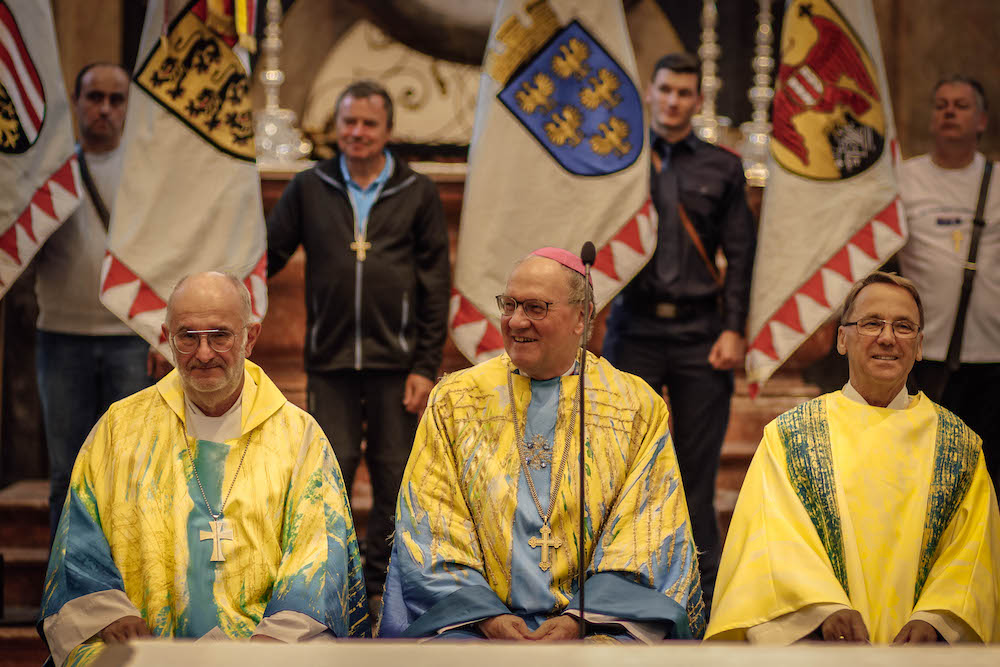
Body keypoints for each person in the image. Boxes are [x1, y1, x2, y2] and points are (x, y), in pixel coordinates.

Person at [39, 272, 370, 667]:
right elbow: (79, 535)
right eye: (188, 336)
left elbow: (319, 553)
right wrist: (111, 611)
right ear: (166, 338)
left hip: (266, 641)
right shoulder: (120, 429)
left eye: (220, 335)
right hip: (149, 646)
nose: (204, 353)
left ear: (250, 337)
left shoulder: (298, 437)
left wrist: (277, 636)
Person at [379, 248, 705, 641]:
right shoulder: (456, 401)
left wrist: (579, 619)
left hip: (597, 624)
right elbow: (431, 521)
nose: (517, 321)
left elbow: (648, 529)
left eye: (536, 308)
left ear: (581, 317)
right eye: (510, 304)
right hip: (474, 624)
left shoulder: (634, 406)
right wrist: (488, 617)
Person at [706, 272, 1000, 644]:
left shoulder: (958, 445)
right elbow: (770, 538)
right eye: (872, 323)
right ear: (842, 338)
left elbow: (973, 553)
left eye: (904, 327)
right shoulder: (792, 435)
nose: (888, 338)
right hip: (820, 648)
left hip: (926, 655)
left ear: (920, 345)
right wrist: (823, 608)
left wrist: (936, 618)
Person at [266, 80, 450, 612]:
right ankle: (333, 585)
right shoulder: (309, 186)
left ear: (388, 130)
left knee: (396, 477)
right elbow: (267, 254)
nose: (357, 133)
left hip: (399, 364)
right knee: (331, 476)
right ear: (336, 128)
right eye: (348, 122)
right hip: (330, 360)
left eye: (369, 123)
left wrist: (426, 365)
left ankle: (382, 588)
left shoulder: (417, 191)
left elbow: (435, 284)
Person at [600, 52, 756, 609]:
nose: (672, 100)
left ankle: (704, 598)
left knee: (696, 469)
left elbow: (741, 257)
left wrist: (734, 331)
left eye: (684, 92)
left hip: (699, 335)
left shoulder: (723, 167)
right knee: (619, 465)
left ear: (697, 100)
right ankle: (614, 588)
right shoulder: (617, 162)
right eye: (664, 89)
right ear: (649, 91)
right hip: (632, 330)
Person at [34, 63, 152, 540]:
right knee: (66, 474)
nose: (104, 108)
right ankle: (65, 598)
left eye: (116, 99)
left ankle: (131, 591)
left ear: (128, 108)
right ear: (77, 102)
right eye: (94, 96)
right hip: (60, 338)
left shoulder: (148, 171)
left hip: (130, 339)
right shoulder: (46, 171)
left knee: (130, 475)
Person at [897, 75, 999, 492]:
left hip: (993, 353)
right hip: (927, 352)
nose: (949, 112)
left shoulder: (997, 179)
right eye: (941, 104)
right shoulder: (903, 180)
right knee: (929, 476)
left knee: (988, 477)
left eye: (960, 105)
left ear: (981, 120)